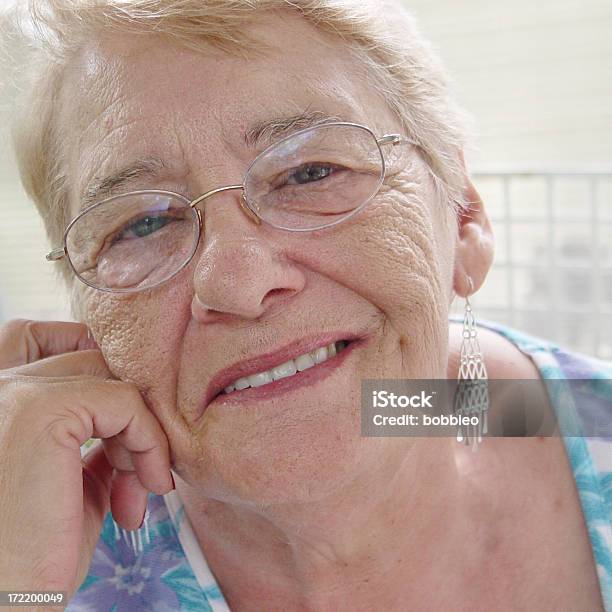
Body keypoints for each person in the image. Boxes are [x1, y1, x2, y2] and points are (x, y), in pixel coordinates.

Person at [0, 1, 610, 609]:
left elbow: (504, 412)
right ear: (86, 320)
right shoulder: (38, 540)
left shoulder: (534, 415)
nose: (238, 284)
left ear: (464, 218)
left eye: (310, 172)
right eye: (140, 225)